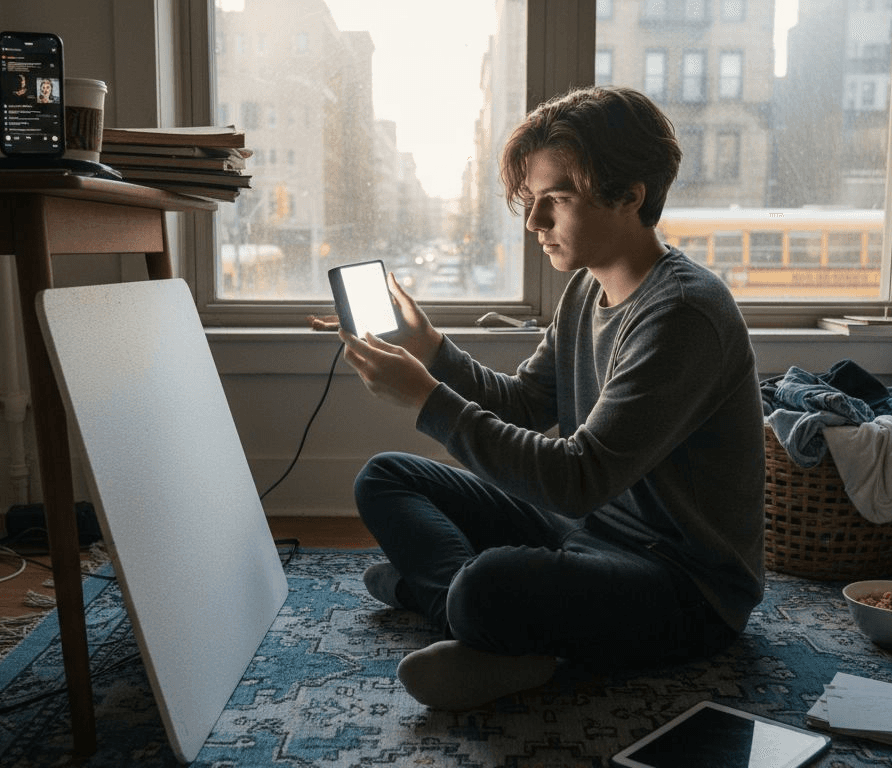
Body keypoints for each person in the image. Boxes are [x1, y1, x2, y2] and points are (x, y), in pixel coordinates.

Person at [319, 85, 765, 710]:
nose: (534, 223)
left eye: (555, 200)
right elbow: (527, 402)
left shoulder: (685, 314)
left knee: (488, 584)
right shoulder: (585, 289)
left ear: (630, 195)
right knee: (385, 477)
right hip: (584, 535)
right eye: (530, 201)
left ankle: (454, 605)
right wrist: (434, 353)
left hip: (685, 586)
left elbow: (579, 478)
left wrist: (428, 402)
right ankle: (480, 623)